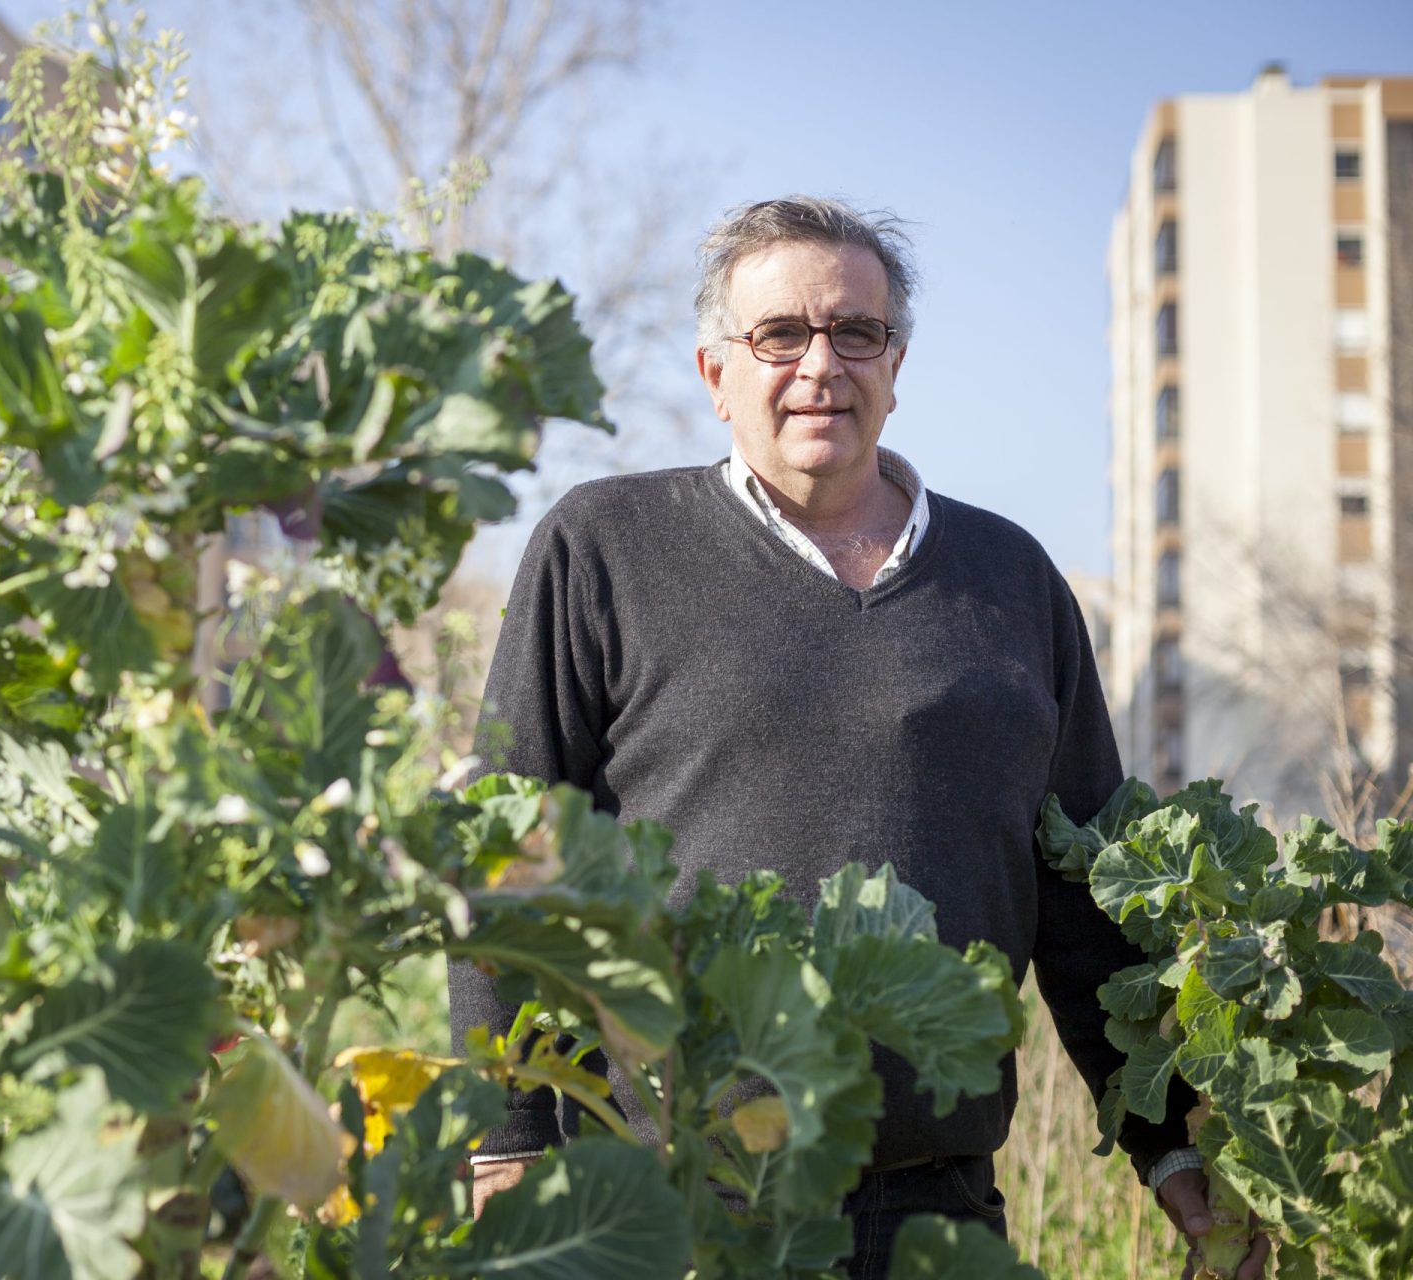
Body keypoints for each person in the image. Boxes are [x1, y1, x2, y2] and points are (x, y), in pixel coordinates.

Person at [449, 197, 1271, 1280]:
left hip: (937, 1205)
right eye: (779, 335)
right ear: (716, 372)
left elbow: (1086, 905)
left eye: (856, 333)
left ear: (897, 361)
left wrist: (1177, 1152)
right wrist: (504, 1145)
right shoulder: (602, 549)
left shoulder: (1011, 580)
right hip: (667, 1200)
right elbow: (506, 852)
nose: (819, 366)